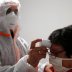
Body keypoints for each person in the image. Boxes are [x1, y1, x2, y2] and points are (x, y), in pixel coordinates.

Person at [0, 0, 48, 72]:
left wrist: (44, 67)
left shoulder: (21, 42)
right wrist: (27, 63)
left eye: (16, 11)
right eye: (8, 11)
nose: (13, 15)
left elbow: (31, 64)